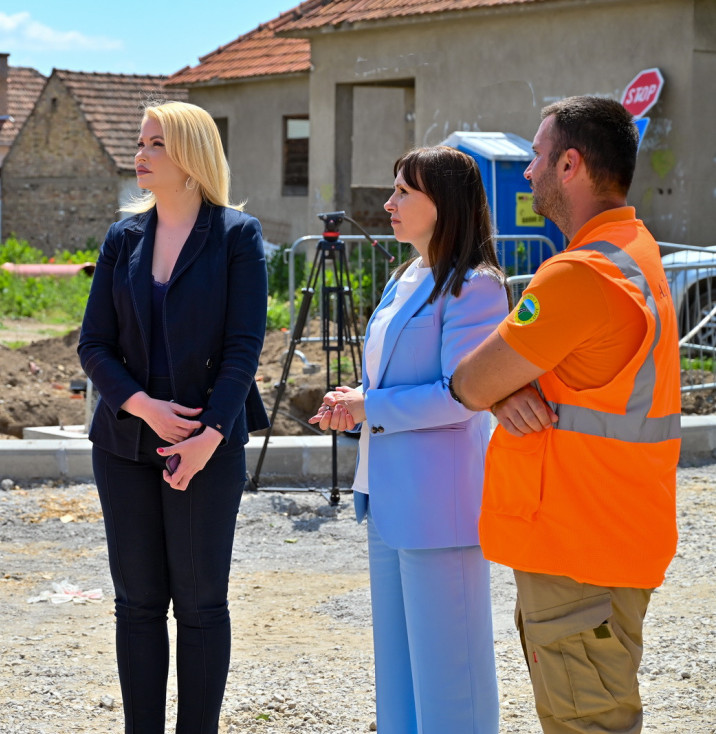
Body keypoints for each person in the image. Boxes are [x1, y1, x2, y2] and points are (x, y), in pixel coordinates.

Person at [451, 96, 680, 734]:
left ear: (571, 165)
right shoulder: (635, 249)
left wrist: (497, 390)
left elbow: (470, 381)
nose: (527, 172)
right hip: (611, 530)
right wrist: (507, 390)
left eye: (537, 156)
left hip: (582, 543)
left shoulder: (581, 274)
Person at [78, 100, 269, 733]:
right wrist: (143, 407)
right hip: (126, 442)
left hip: (206, 444)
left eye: (155, 143)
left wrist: (207, 435)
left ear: (189, 158)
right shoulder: (122, 237)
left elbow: (245, 346)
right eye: (140, 142)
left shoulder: (237, 236)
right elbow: (93, 345)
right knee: (136, 605)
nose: (140, 154)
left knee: (201, 605)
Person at [310, 146, 509, 732]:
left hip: (439, 508)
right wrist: (357, 400)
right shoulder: (409, 275)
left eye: (403, 192)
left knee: (452, 686)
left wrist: (367, 404)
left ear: (442, 204)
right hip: (389, 499)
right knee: (398, 683)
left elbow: (460, 395)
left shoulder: (475, 287)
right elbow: (398, 378)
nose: (388, 203)